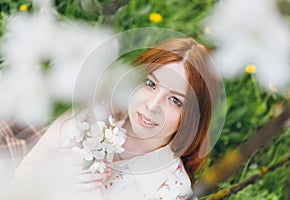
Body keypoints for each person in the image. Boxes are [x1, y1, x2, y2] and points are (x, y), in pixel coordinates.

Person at [6, 37, 219, 200]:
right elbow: (22, 177)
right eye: (150, 84)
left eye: (175, 100)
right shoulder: (93, 113)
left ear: (192, 118)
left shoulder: (172, 191)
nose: (153, 106)